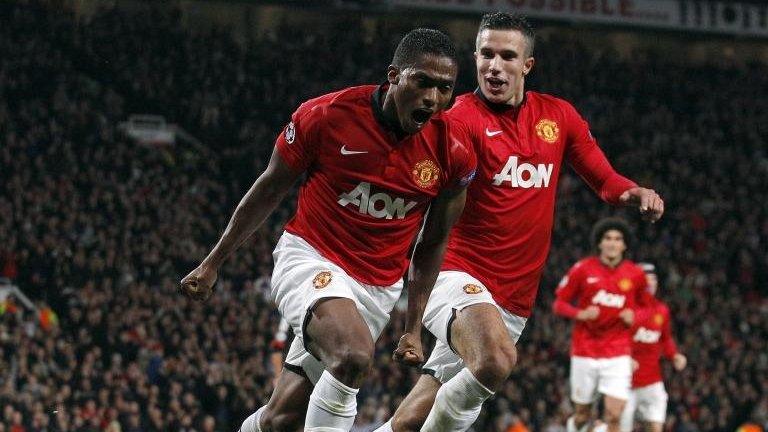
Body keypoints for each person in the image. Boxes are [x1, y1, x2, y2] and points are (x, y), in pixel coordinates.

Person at [376, 12, 664, 432]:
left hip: (514, 300)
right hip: (456, 274)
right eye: (486, 54)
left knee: (416, 414)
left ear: (527, 64)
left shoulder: (558, 117)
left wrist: (633, 192)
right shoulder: (457, 121)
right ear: (474, 57)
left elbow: (603, 179)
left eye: (507, 56)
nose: (495, 66)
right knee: (494, 360)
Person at [179, 28, 477, 432]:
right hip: (311, 258)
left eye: (445, 88)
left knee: (282, 418)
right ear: (393, 76)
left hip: (376, 288)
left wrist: (413, 326)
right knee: (353, 355)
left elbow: (434, 240)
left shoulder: (453, 150)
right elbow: (269, 188)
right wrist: (213, 262)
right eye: (421, 81)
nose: (433, 98)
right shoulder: (327, 115)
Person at [553, 218, 655, 432]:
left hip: (618, 352)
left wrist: (634, 315)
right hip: (585, 350)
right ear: (599, 243)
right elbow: (559, 304)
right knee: (583, 415)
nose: (612, 243)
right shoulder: (582, 269)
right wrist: (580, 313)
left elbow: (647, 308)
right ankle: (575, 427)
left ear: (624, 245)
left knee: (614, 416)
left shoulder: (635, 274)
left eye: (618, 239)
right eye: (607, 238)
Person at [619, 263, 687, 432]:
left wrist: (674, 355)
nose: (651, 283)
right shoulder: (626, 309)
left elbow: (665, 339)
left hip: (652, 381)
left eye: (654, 280)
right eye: (646, 280)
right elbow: (612, 339)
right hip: (626, 382)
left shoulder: (662, 310)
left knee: (656, 427)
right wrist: (625, 358)